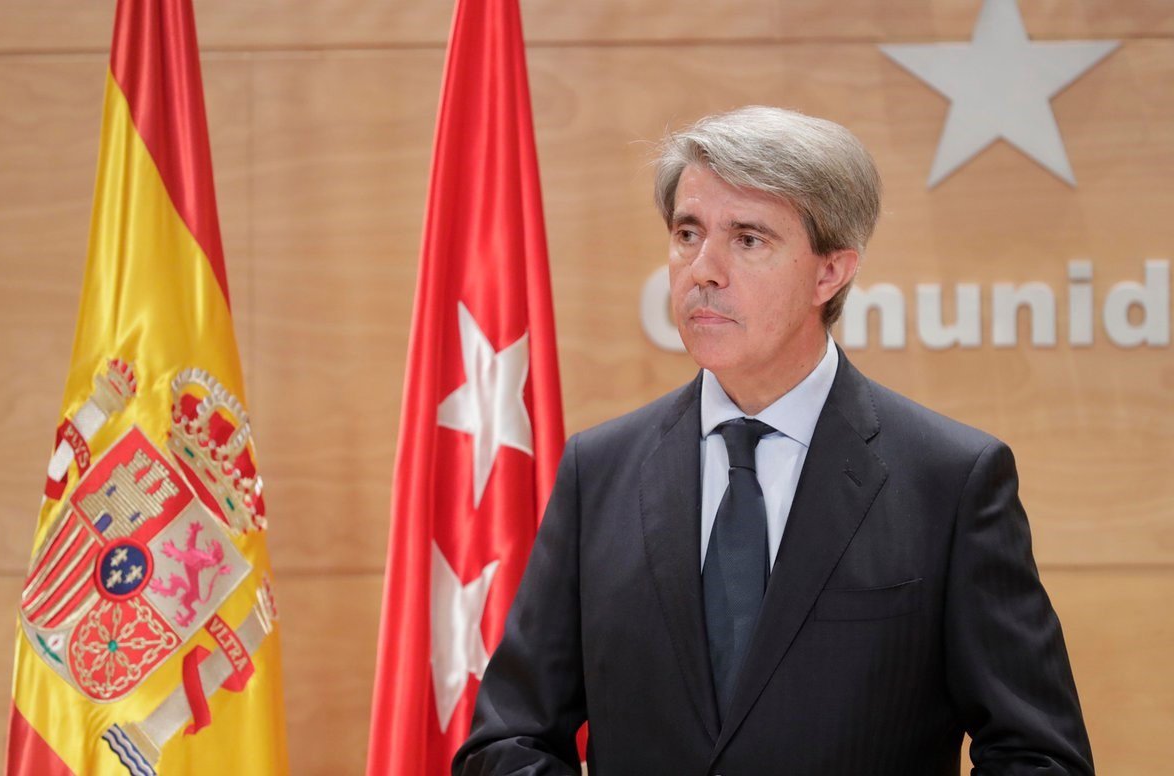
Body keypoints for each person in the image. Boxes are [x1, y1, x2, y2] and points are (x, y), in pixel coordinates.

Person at [453, 106, 1093, 775]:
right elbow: (508, 741)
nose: (703, 269)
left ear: (830, 273)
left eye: (748, 239)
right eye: (687, 233)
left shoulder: (952, 481)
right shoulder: (600, 470)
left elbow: (1038, 756)